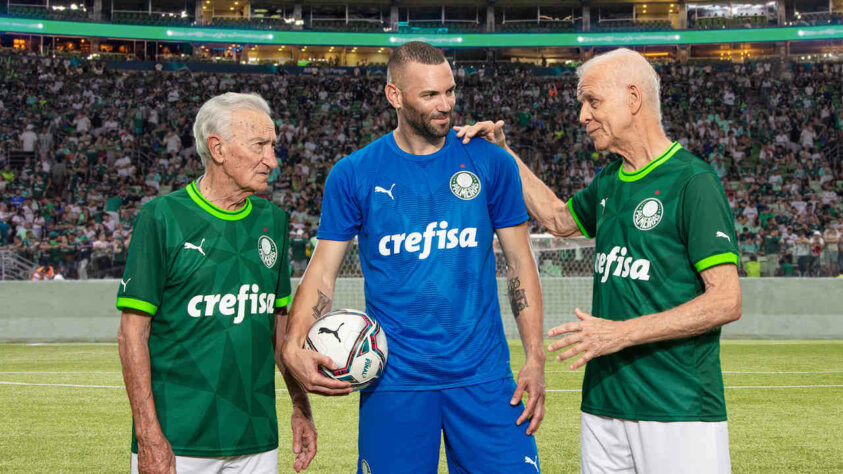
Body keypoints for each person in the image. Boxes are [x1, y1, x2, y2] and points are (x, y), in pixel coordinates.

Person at [457, 48, 741, 474]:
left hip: (677, 407)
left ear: (632, 98)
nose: (582, 116)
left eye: (592, 101)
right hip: (604, 405)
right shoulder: (609, 180)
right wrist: (503, 152)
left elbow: (726, 301)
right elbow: (556, 218)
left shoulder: (693, 182)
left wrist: (620, 334)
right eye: (582, 104)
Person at [281, 41, 546, 474]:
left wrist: (535, 356)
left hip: (484, 379)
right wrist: (294, 343)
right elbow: (322, 273)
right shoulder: (354, 173)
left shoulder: (491, 162)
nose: (445, 106)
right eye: (429, 95)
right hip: (394, 383)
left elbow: (520, 262)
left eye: (450, 91)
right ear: (395, 96)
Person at [116, 92, 316, 474]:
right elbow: (131, 336)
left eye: (273, 146)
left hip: (258, 438)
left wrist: (300, 406)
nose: (272, 161)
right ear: (218, 149)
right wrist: (148, 436)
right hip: (178, 441)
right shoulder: (162, 217)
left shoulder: (273, 220)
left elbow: (281, 330)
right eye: (260, 146)